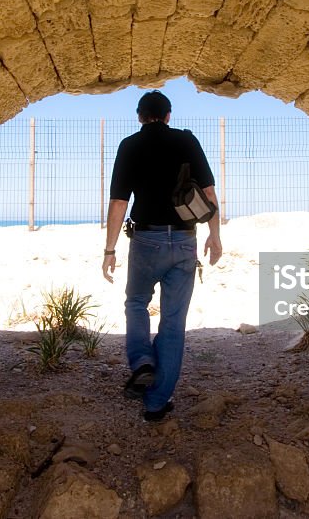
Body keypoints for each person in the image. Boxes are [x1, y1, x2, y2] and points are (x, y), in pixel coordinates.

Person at [102, 91, 223, 421]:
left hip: (145, 240)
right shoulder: (186, 141)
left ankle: (142, 361)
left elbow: (118, 204)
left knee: (136, 302)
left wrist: (110, 250)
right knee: (173, 322)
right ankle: (156, 404)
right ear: (168, 115)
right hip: (185, 241)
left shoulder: (129, 145)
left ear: (140, 116)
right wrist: (215, 235)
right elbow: (209, 193)